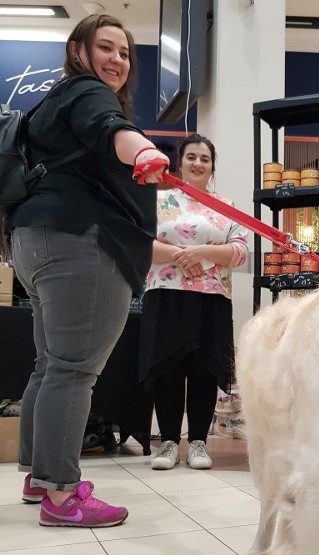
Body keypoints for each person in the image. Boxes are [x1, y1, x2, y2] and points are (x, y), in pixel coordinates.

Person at [10, 14, 170, 527]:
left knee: (50, 364)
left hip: (34, 242)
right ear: (77, 50)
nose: (117, 61)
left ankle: (40, 478)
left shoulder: (51, 103)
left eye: (124, 53)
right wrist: (144, 149)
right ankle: (61, 494)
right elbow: (113, 131)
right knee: (73, 369)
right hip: (81, 243)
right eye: (106, 48)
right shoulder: (88, 93)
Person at [139, 134, 248, 471]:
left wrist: (200, 253)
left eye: (204, 158)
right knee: (167, 368)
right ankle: (169, 442)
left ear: (212, 166)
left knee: (204, 368)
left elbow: (241, 252)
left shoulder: (226, 206)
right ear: (179, 162)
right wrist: (179, 255)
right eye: (191, 157)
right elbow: (140, 244)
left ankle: (198, 441)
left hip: (211, 299)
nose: (198, 164)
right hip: (166, 294)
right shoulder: (157, 202)